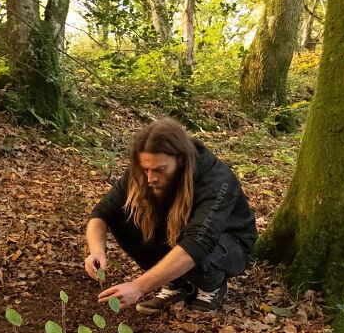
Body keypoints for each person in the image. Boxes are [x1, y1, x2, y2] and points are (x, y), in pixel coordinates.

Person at [85, 118, 257, 313]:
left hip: (230, 245)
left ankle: (212, 285)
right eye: (145, 169)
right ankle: (179, 283)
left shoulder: (217, 180)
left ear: (181, 160)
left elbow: (197, 244)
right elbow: (101, 214)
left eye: (159, 170)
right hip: (182, 234)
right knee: (120, 217)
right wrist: (97, 250)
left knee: (197, 244)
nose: (150, 178)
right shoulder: (144, 171)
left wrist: (139, 286)